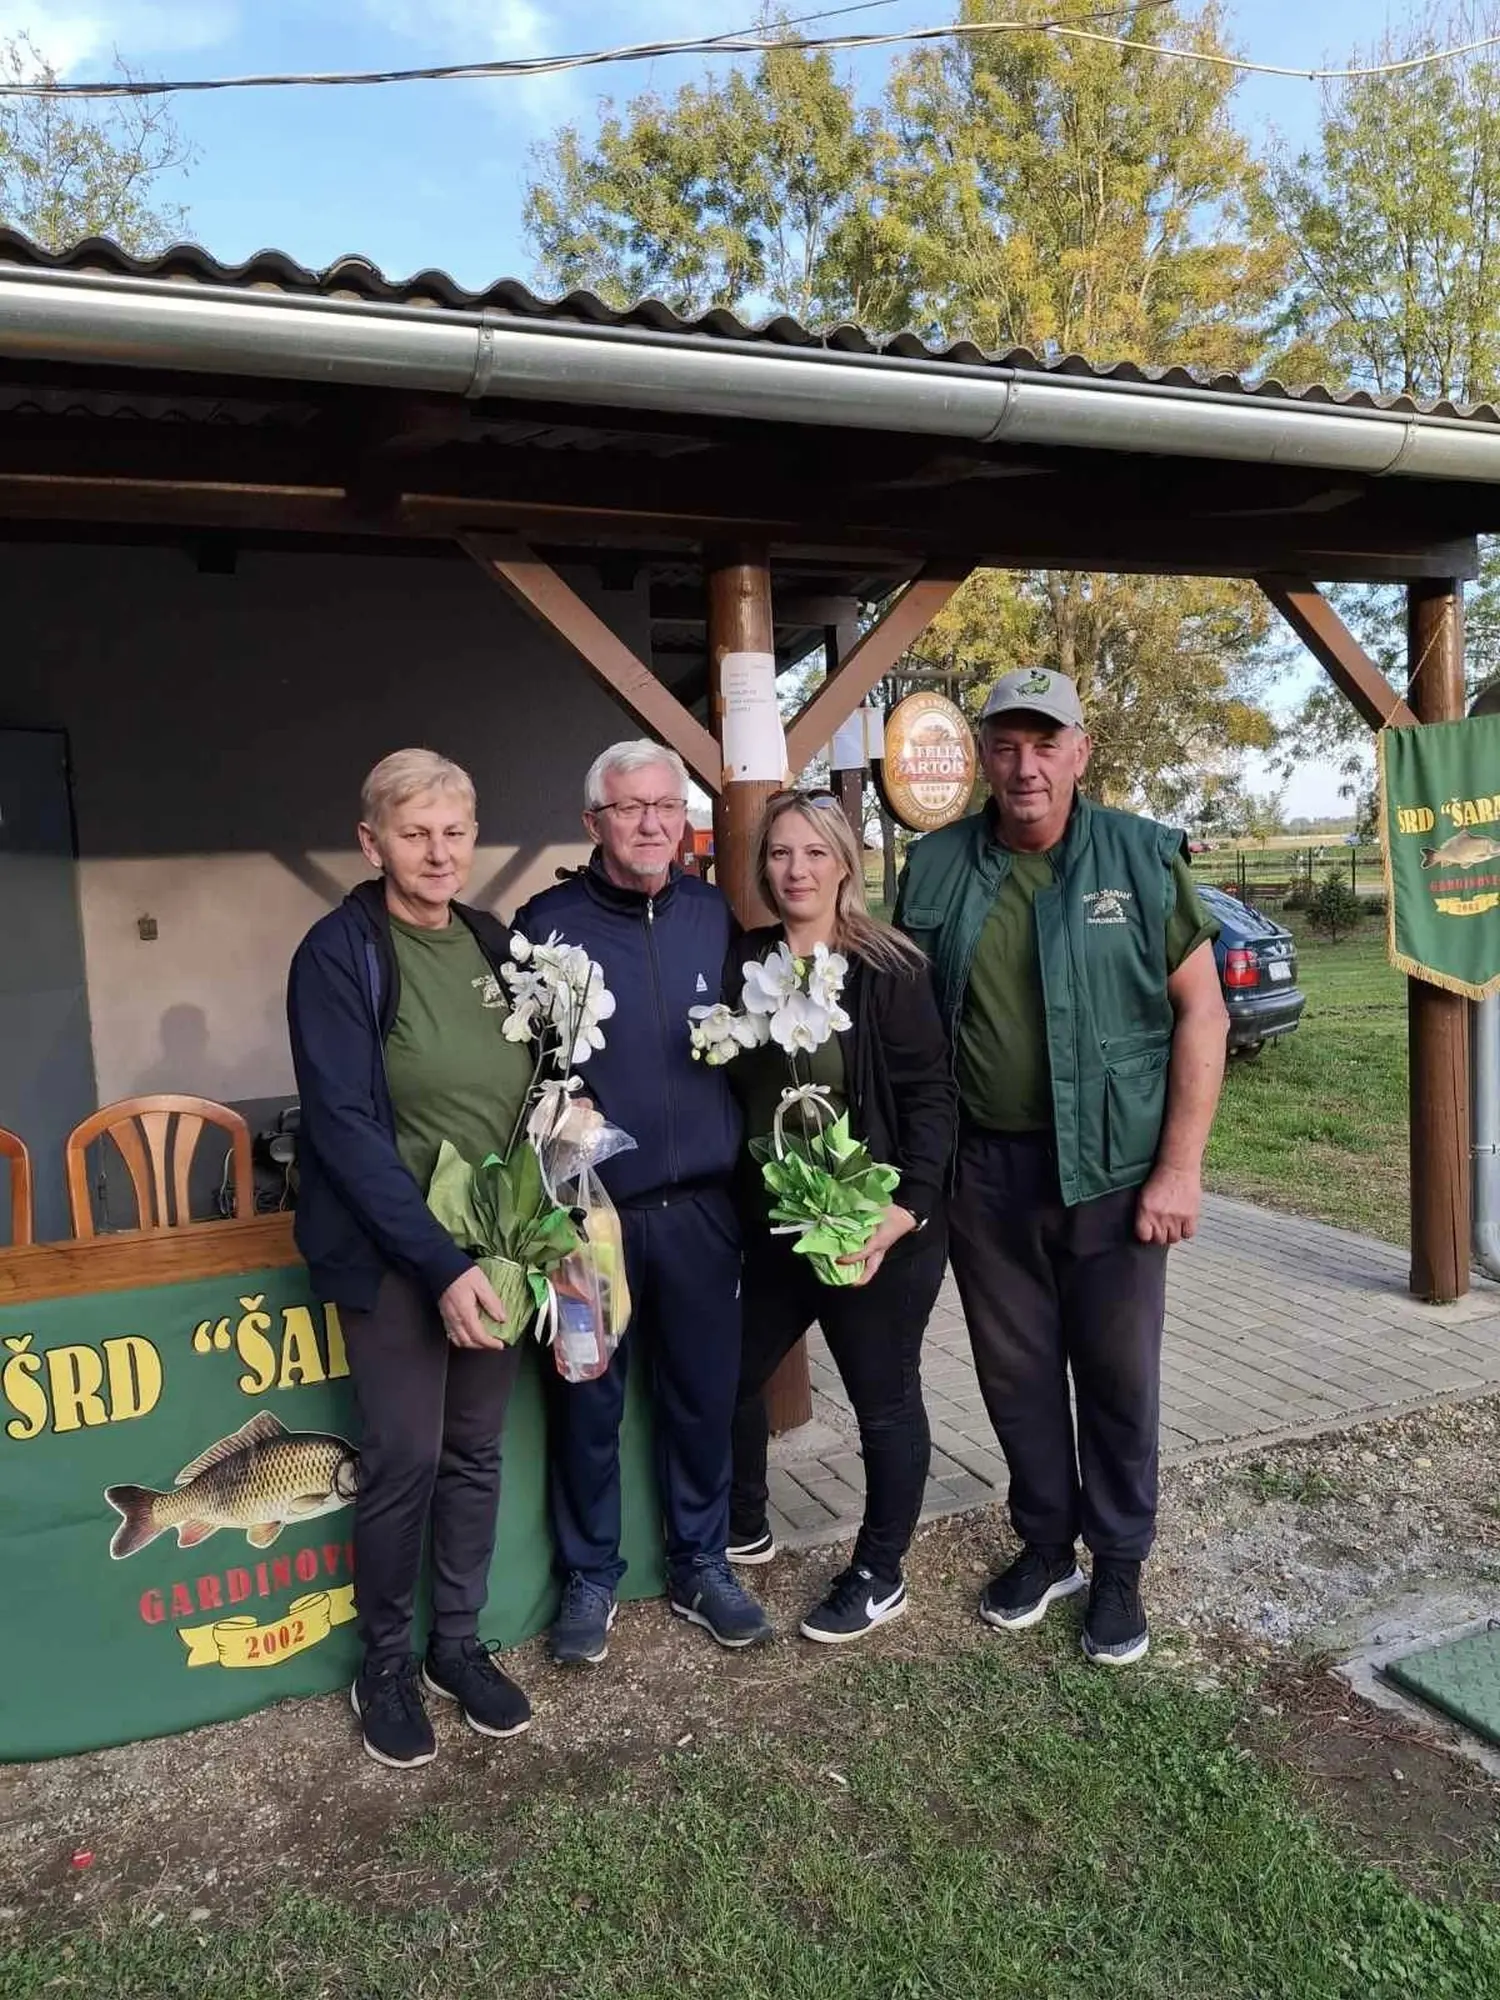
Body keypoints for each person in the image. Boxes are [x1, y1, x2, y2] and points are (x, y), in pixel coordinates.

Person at [896, 669, 1228, 1667]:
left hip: (1116, 1171)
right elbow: (901, 1022)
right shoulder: (935, 865)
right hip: (983, 1176)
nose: (1026, 766)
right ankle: (1048, 1545)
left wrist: (1180, 1168)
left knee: (1118, 1374)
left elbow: (1203, 1015)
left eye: (1046, 744)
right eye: (1006, 745)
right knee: (1016, 1375)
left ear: (1080, 752)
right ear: (984, 758)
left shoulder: (1140, 855)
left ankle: (1119, 1562)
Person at [288, 749, 534, 1768]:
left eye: (455, 831)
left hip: (495, 1241)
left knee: (475, 1449)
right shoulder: (338, 954)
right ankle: (383, 1662)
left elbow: (534, 1077)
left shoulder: (494, 941)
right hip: (398, 1255)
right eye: (415, 832)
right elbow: (345, 1130)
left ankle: (456, 1645)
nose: (439, 852)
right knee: (404, 1458)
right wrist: (439, 1265)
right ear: (372, 842)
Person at [514, 740, 772, 1663]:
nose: (654, 823)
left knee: (701, 1399)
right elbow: (517, 1067)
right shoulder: (546, 926)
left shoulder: (712, 915)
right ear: (595, 823)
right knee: (586, 1401)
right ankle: (590, 1577)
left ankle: (702, 1563)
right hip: (591, 1220)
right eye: (631, 808)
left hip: (702, 1213)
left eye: (668, 806)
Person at [725, 790, 956, 1642]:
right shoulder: (743, 960)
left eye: (815, 852)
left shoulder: (888, 967)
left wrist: (906, 1210)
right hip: (778, 1225)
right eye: (781, 853)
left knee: (882, 1400)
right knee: (730, 1376)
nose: (797, 870)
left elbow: (932, 1096)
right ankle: (742, 1522)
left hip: (871, 1227)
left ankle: (879, 1571)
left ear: (844, 864)